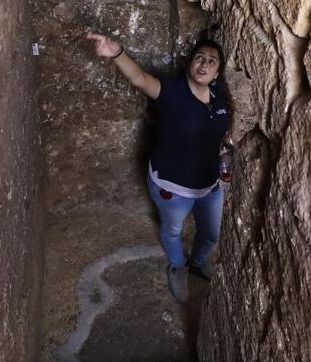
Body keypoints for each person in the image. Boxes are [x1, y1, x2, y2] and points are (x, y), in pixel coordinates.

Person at [86, 30, 232, 304]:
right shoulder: (171, 92)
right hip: (173, 187)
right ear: (190, 63)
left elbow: (217, 132)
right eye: (199, 58)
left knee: (211, 233)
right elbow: (140, 78)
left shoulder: (217, 98)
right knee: (174, 230)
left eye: (211, 61)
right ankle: (178, 266)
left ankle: (198, 263)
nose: (204, 64)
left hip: (210, 186)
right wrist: (116, 52)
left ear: (217, 72)